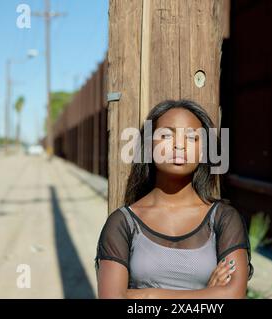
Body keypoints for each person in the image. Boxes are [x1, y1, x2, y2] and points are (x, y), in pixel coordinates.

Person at [95, 99, 253, 298]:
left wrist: (149, 296)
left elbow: (233, 295)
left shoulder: (224, 219)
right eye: (166, 135)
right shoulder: (122, 223)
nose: (179, 146)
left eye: (191, 138)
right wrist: (208, 295)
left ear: (204, 150)